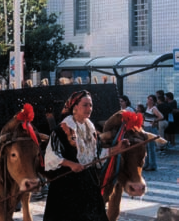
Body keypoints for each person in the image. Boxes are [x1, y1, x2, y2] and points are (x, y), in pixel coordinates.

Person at [43, 90, 129, 221]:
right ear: (75, 107)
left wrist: (117, 149)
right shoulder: (61, 130)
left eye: (91, 105)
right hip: (66, 186)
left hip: (88, 183)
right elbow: (51, 156)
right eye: (85, 105)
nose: (89, 108)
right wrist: (71, 164)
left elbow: (97, 155)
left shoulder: (91, 129)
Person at [143, 94, 163, 171]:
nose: (149, 101)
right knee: (146, 148)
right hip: (146, 128)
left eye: (151, 100)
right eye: (148, 99)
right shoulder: (147, 108)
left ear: (154, 101)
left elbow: (161, 116)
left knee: (151, 147)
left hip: (150, 128)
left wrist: (154, 121)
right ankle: (147, 163)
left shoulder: (154, 108)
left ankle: (152, 164)